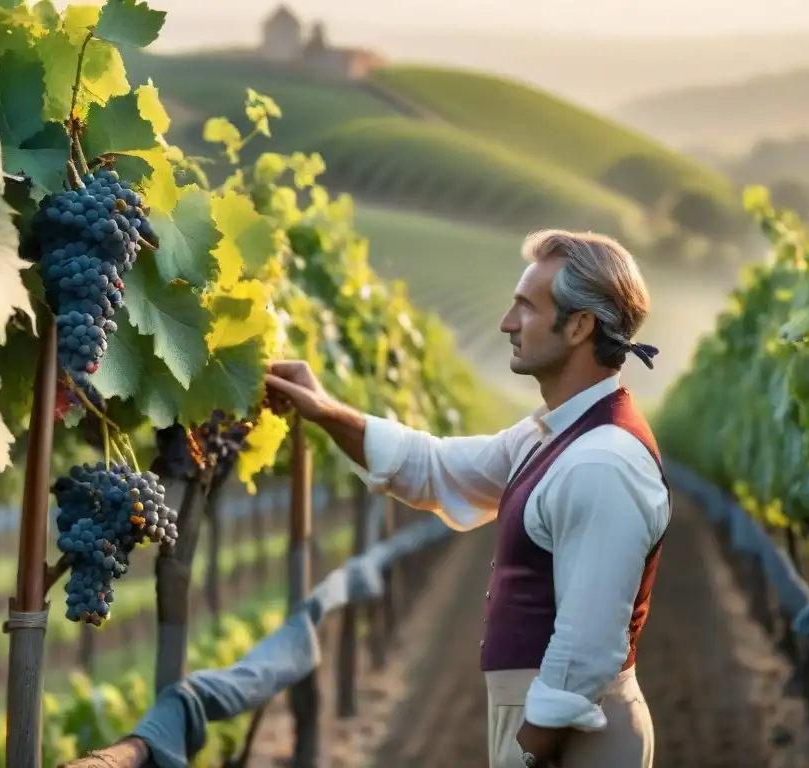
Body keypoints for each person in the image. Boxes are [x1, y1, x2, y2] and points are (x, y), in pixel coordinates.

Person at [264, 229, 670, 768]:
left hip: (572, 739)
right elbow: (435, 469)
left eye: (525, 307)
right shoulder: (549, 436)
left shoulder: (602, 462)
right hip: (549, 726)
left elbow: (587, 650)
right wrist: (324, 409)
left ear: (579, 325)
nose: (507, 323)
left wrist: (526, 748)